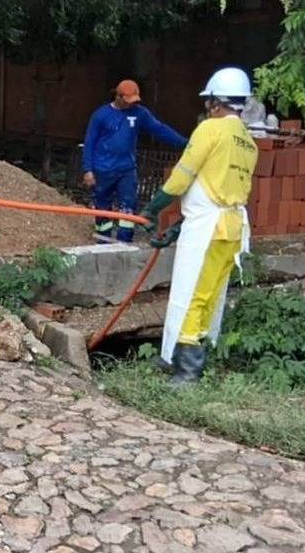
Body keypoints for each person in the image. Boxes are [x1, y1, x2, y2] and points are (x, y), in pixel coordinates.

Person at [139, 67, 259, 386]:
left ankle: (187, 370)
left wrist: (153, 208)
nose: (207, 107)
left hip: (209, 229)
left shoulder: (210, 129)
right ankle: (178, 356)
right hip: (231, 229)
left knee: (192, 293)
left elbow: (184, 175)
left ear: (216, 102)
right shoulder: (248, 143)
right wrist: (178, 227)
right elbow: (216, 191)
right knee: (209, 294)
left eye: (209, 102)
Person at [83, 80, 188, 244]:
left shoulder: (139, 113)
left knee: (128, 206)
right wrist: (88, 169)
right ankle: (103, 241)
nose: (131, 104)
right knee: (102, 206)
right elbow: (89, 142)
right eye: (128, 100)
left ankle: (124, 241)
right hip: (103, 169)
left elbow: (159, 129)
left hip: (126, 169)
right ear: (118, 97)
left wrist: (186, 144)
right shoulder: (101, 115)